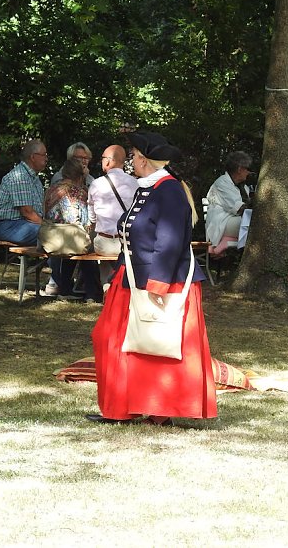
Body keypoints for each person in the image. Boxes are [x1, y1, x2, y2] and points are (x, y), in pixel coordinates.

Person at [86, 131, 216, 427]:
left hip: (157, 279)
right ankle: (122, 408)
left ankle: (157, 411)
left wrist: (159, 282)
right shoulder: (151, 188)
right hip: (132, 275)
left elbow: (169, 240)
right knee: (113, 340)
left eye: (132, 156)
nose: (131, 161)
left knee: (156, 346)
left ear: (144, 160)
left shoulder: (167, 190)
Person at [42, 159, 102, 302]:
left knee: (73, 244)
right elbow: (86, 221)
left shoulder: (51, 190)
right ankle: (91, 293)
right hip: (72, 239)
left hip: (51, 239)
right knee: (86, 248)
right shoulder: (80, 192)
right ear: (81, 175)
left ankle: (65, 289)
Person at [88, 144, 139, 256]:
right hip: (127, 242)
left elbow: (91, 217)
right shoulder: (135, 183)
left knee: (106, 272)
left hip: (103, 244)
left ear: (107, 161)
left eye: (102, 158)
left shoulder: (96, 184)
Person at [0, 139, 47, 245]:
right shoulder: (20, 176)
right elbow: (27, 212)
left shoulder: (35, 179)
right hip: (10, 226)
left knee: (56, 234)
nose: (46, 158)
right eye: (44, 155)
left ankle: (56, 262)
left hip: (27, 225)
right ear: (33, 157)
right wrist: (48, 227)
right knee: (52, 234)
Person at [205, 151, 252, 256]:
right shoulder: (222, 183)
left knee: (256, 223)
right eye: (247, 169)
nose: (248, 173)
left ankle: (227, 241)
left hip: (232, 221)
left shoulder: (243, 187)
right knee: (256, 225)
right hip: (222, 221)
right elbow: (238, 209)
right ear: (240, 169)